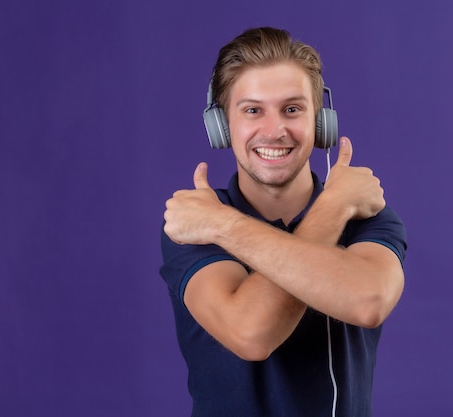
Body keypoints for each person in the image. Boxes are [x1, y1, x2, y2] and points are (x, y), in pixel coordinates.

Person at [160, 27, 407, 417]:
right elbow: (251, 333)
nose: (274, 131)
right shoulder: (194, 226)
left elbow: (369, 301)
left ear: (321, 122)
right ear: (222, 125)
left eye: (292, 109)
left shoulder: (365, 218)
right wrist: (332, 207)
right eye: (253, 110)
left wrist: (224, 225)